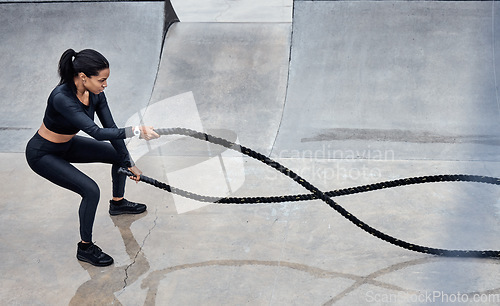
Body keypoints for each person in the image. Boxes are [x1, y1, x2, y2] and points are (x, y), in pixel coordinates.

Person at [25, 49, 160, 267]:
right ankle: (86, 248)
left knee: (118, 155)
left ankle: (118, 203)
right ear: (83, 77)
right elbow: (96, 132)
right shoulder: (62, 98)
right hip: (43, 153)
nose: (105, 84)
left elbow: (111, 128)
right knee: (90, 190)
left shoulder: (96, 94)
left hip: (67, 145)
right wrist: (136, 130)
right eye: (102, 80)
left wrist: (129, 163)